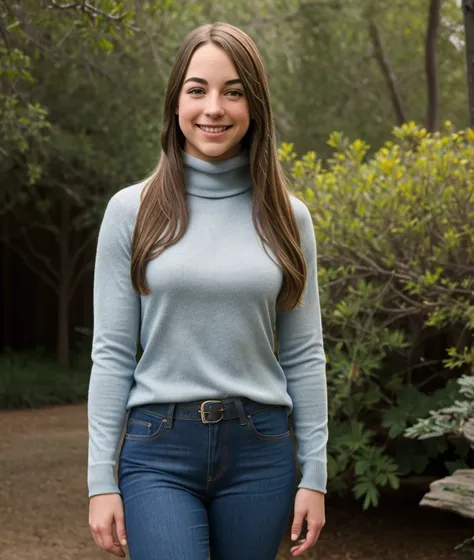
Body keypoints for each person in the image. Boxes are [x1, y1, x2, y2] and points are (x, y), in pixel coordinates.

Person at [87, 21, 328, 560]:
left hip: (261, 451)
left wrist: (315, 473)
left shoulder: (289, 217)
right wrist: (100, 480)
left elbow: (305, 354)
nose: (213, 108)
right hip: (157, 452)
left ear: (254, 106)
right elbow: (112, 353)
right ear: (176, 102)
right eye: (197, 90)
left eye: (233, 92)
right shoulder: (132, 211)